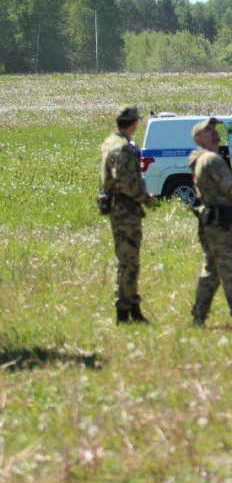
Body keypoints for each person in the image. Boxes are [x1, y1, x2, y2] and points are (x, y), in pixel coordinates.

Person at [188, 117, 232, 327]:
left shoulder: (200, 160)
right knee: (231, 269)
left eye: (214, 127)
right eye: (207, 129)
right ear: (199, 138)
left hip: (209, 222)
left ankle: (199, 316)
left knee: (212, 271)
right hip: (221, 223)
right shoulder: (211, 160)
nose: (213, 131)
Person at [99, 106, 155, 324]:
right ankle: (124, 312)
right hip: (126, 209)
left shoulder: (109, 142)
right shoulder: (123, 148)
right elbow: (126, 182)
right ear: (133, 123)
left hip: (117, 207)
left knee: (128, 260)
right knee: (129, 262)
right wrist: (145, 197)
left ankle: (132, 308)